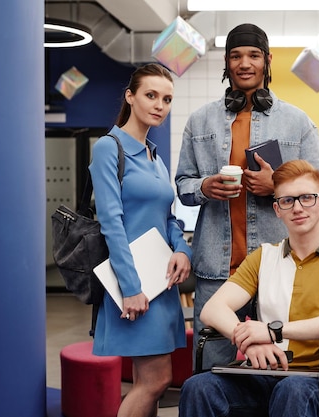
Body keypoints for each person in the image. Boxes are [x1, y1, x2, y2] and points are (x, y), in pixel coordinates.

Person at [175, 23, 319, 368]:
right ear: (227, 64)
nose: (245, 63)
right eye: (236, 56)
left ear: (267, 61)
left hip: (279, 268)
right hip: (217, 270)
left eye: (254, 55)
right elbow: (183, 184)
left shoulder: (297, 121)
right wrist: (204, 187)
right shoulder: (200, 122)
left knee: (281, 367)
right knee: (212, 368)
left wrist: (277, 185)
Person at [178, 160, 319, 417]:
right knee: (198, 387)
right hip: (265, 372)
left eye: (307, 198)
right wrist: (249, 343)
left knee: (292, 390)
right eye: (287, 201)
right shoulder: (264, 256)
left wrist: (271, 333)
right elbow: (213, 309)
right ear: (277, 209)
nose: (298, 207)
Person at [89, 63, 192, 417]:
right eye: (151, 95)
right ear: (130, 96)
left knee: (146, 381)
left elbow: (168, 217)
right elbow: (111, 223)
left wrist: (182, 249)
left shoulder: (155, 156)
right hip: (134, 284)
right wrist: (131, 287)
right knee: (156, 381)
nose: (159, 105)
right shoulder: (109, 148)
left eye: (166, 99)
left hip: (161, 283)